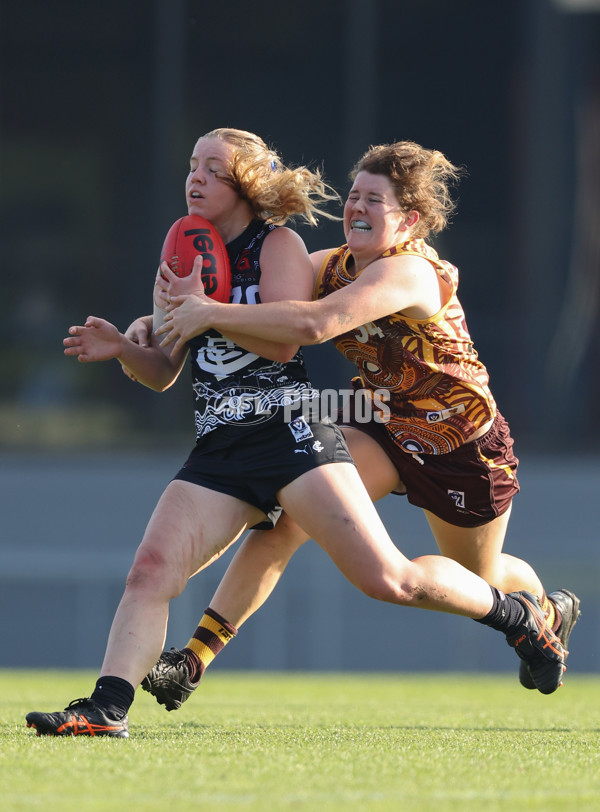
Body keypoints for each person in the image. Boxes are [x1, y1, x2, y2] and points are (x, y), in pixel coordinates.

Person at [26, 129, 566, 740]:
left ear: (409, 219)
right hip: (378, 423)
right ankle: (161, 678)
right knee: (260, 537)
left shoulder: (410, 273)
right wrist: (140, 334)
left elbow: (308, 323)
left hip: (460, 444)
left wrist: (205, 313)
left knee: (468, 574)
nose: (356, 207)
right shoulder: (326, 263)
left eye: (374, 200)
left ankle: (534, 613)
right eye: (354, 195)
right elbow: (234, 307)